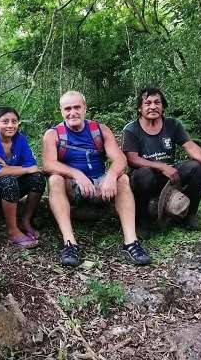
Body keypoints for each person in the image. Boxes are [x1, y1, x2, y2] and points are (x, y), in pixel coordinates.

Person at [42, 90, 151, 267]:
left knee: (123, 179)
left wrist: (111, 176)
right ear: (61, 111)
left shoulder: (100, 130)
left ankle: (131, 242)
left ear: (85, 108)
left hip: (100, 183)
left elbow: (120, 159)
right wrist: (77, 174)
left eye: (77, 107)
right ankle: (70, 243)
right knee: (55, 179)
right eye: (67, 109)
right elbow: (48, 164)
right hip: (73, 187)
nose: (72, 112)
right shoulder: (53, 134)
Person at [122, 87, 201, 230]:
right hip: (144, 178)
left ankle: (188, 215)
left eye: (157, 102)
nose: (153, 107)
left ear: (163, 106)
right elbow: (132, 159)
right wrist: (161, 166)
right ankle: (142, 221)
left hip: (170, 175)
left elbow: (190, 146)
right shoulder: (131, 129)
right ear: (140, 108)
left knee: (197, 168)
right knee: (144, 174)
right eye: (148, 103)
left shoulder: (172, 124)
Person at [0, 107, 46, 248]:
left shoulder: (20, 140)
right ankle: (13, 232)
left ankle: (25, 221)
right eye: (5, 122)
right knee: (8, 180)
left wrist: (8, 168)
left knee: (38, 178)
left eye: (14, 121)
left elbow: (33, 167)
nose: (10, 125)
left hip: (8, 188)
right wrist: (22, 169)